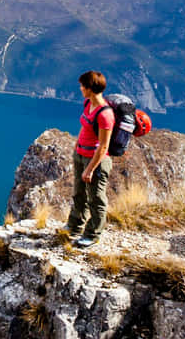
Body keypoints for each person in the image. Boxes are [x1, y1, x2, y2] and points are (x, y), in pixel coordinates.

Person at [64, 70, 114, 248]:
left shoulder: (105, 114)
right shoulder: (88, 104)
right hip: (80, 154)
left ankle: (93, 234)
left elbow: (103, 146)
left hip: (95, 161)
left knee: (96, 198)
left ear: (90, 88)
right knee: (78, 192)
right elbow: (84, 127)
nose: (80, 89)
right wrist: (76, 148)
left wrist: (90, 168)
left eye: (82, 86)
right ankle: (75, 224)